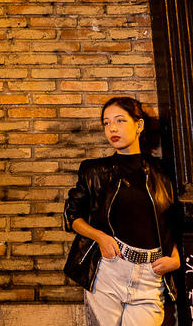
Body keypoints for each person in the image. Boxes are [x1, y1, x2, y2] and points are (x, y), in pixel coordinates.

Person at [63, 96, 180, 326]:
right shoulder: (94, 170)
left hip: (151, 275)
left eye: (120, 120)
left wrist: (175, 259)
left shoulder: (164, 172)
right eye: (106, 123)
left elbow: (173, 223)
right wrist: (100, 237)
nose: (112, 128)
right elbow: (71, 215)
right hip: (109, 269)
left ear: (139, 125)